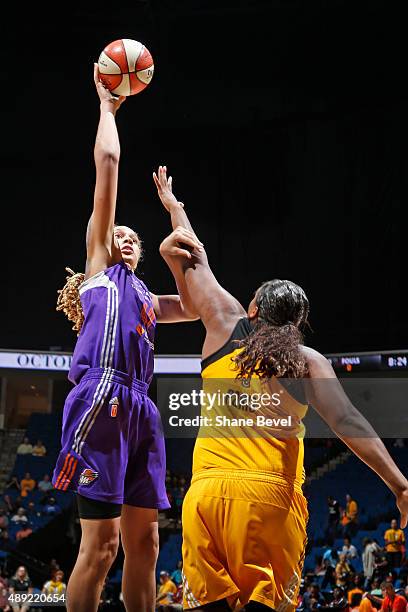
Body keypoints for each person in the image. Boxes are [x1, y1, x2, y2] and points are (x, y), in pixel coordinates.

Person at [154, 164, 408, 612]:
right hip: (268, 503)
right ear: (297, 322)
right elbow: (348, 422)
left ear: (252, 309)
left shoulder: (224, 328)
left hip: (207, 497)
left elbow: (195, 260)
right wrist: (400, 485)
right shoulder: (307, 362)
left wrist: (176, 209)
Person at [51, 69, 200, 612]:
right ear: (101, 242)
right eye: (120, 234)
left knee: (147, 541)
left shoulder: (146, 301)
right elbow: (108, 167)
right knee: (103, 545)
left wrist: (175, 214)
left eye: (135, 237)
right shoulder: (98, 274)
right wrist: (108, 110)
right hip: (102, 397)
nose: (128, 239)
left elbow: (198, 302)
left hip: (143, 407)